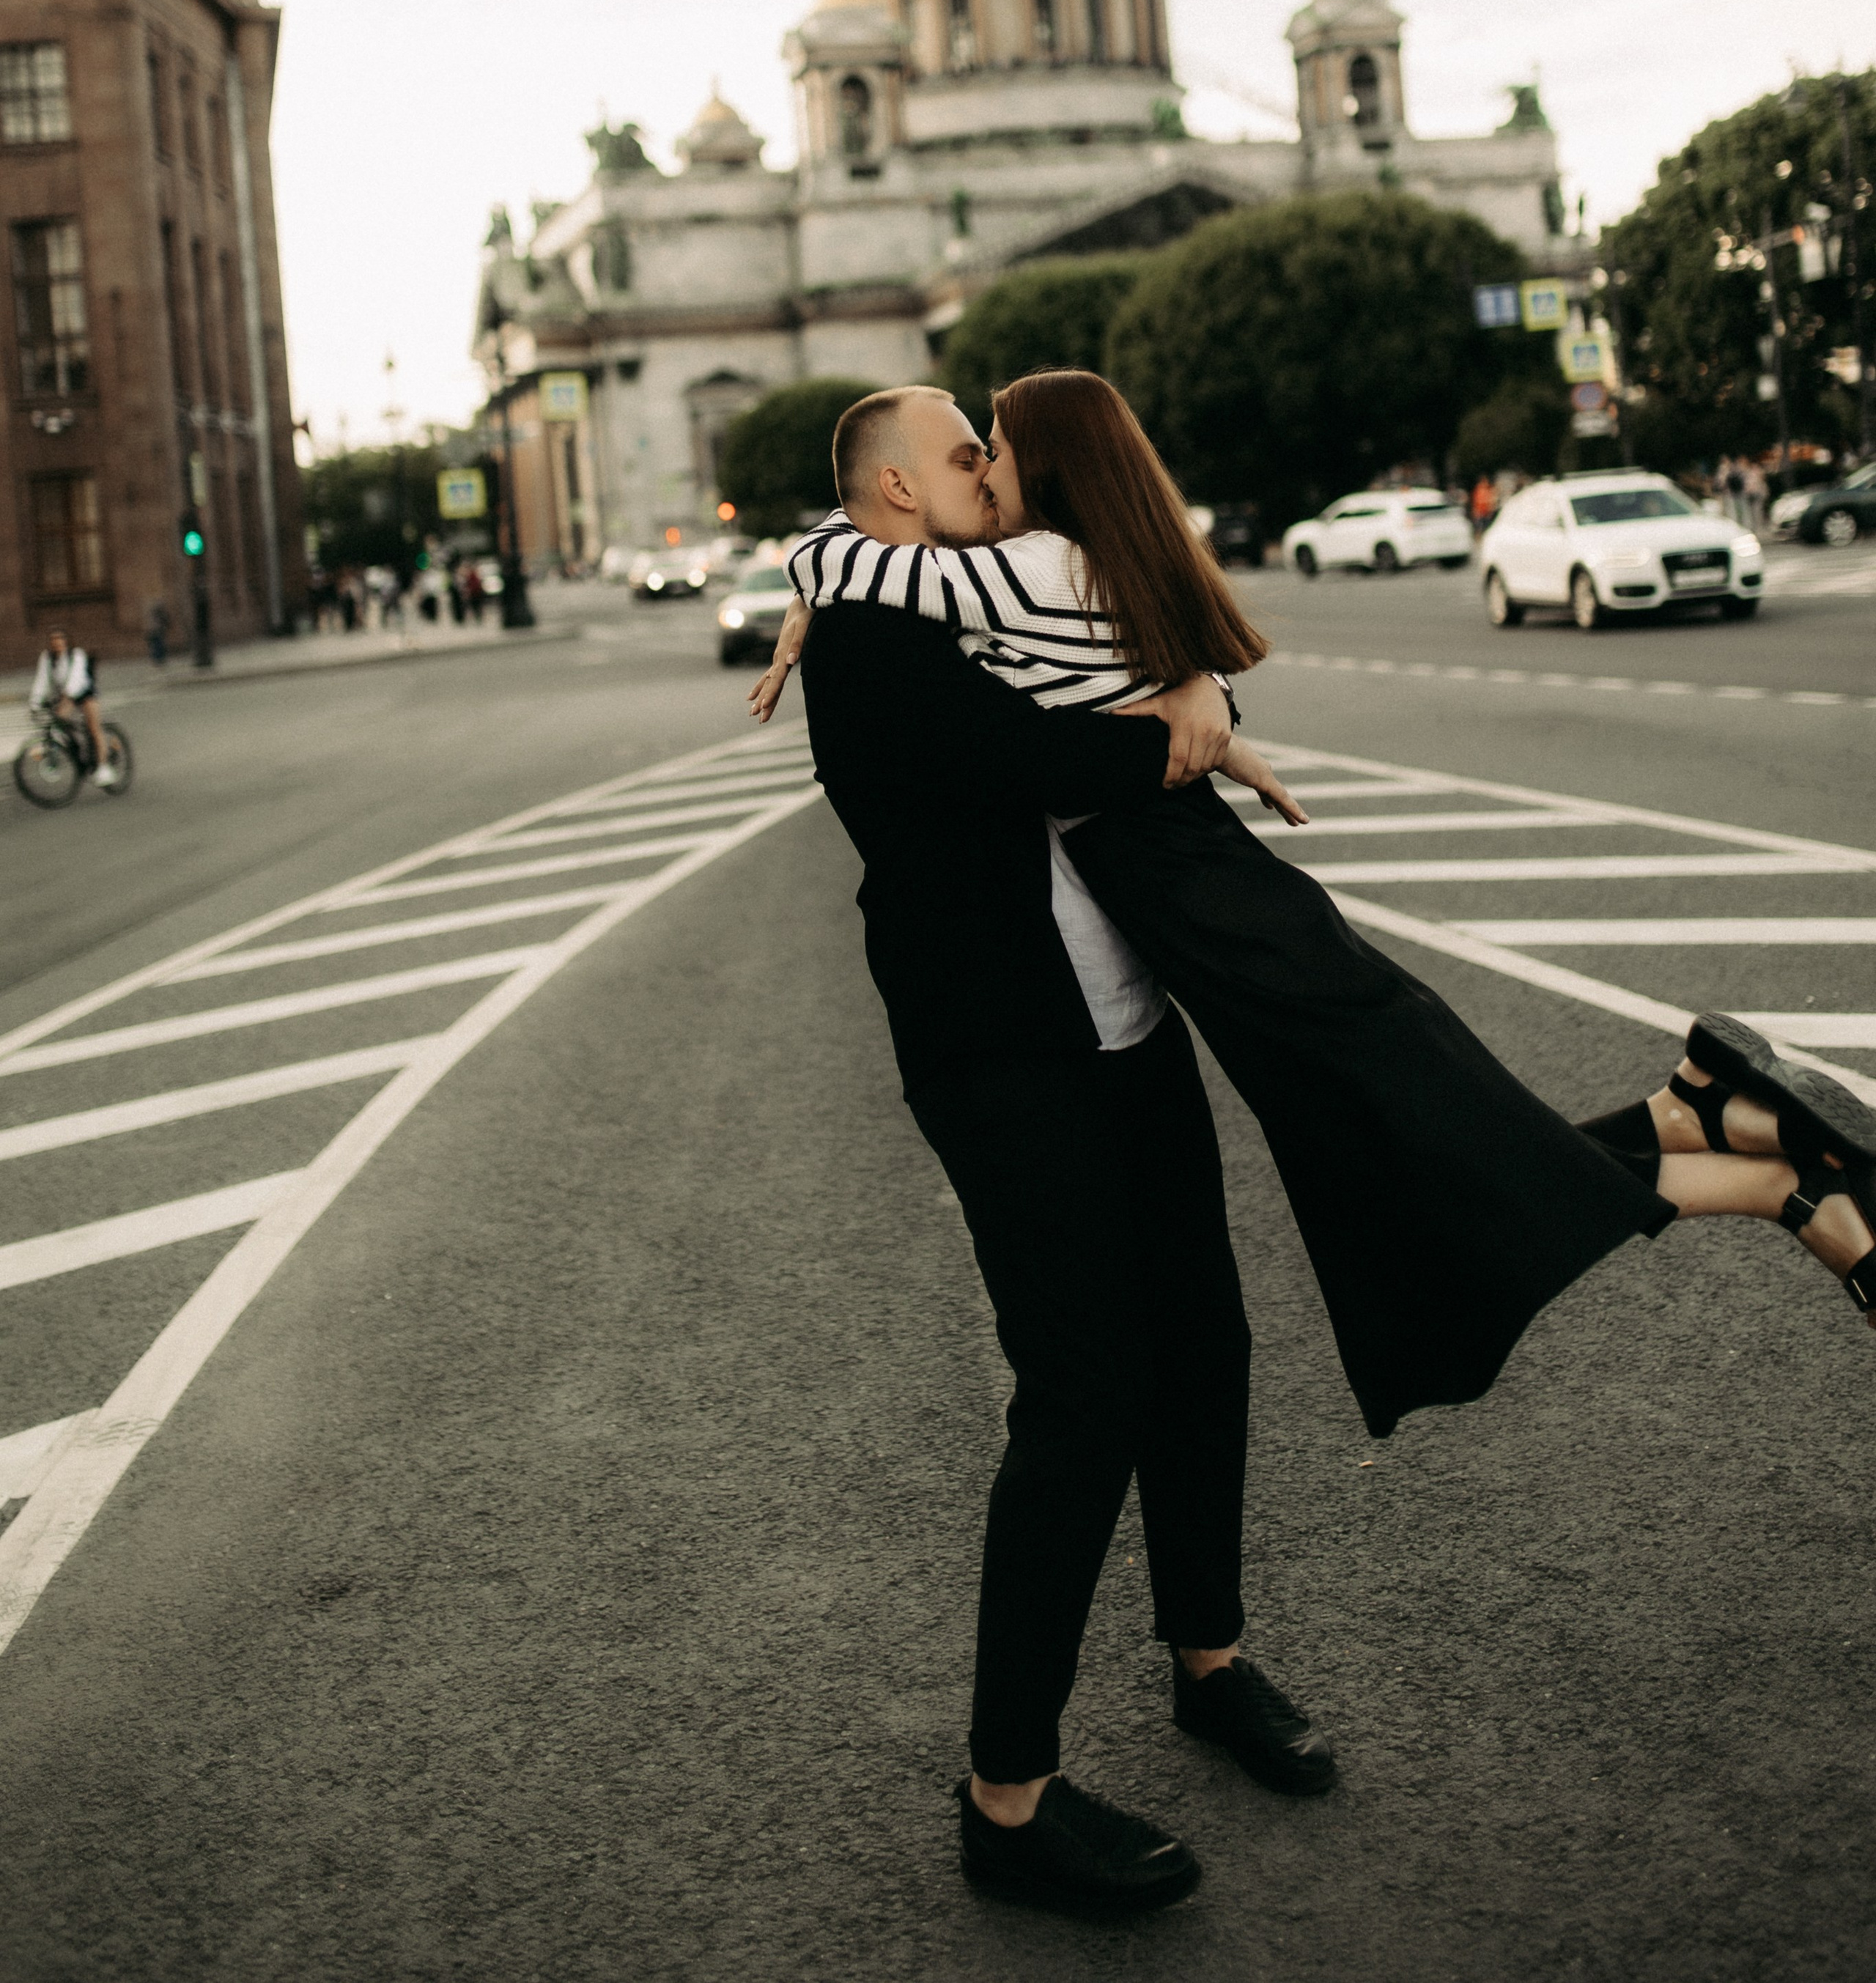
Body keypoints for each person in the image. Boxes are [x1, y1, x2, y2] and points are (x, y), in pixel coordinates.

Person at [767, 374, 1876, 1373]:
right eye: (971, 451)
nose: (983, 467)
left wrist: (813, 588)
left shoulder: (1025, 571)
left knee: (1432, 1161)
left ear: (1048, 473)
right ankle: (1705, 1117)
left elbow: (841, 558)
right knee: (1432, 1143)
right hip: (1226, 911)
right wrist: (1202, 709)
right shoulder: (1081, 567)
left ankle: (1782, 1182)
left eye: (991, 448)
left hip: (1226, 923)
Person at [769, 384, 1336, 1917]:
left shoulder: (971, 589)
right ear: (891, 489)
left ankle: (1207, 1659)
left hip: (1123, 1027)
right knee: (1084, 1388)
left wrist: (1195, 694)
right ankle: (1003, 1800)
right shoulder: (872, 633)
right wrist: (1182, 724)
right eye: (962, 451)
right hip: (1000, 1053)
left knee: (1202, 1339)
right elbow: (1042, 759)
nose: (987, 466)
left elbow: (1124, 647)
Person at [29, 627, 117, 788]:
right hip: (65, 695)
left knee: (94, 727)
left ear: (67, 641)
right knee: (60, 723)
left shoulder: (77, 655)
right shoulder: (47, 658)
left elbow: (76, 680)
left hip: (84, 692)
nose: (57, 645)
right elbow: (41, 681)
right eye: (54, 642)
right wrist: (35, 702)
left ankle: (104, 768)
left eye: (60, 641)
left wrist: (66, 700)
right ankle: (75, 752)